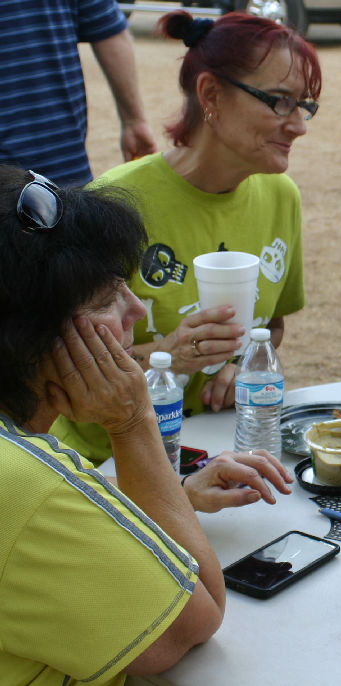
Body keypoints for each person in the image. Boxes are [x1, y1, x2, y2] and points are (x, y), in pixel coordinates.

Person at [52, 10, 321, 465]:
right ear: (210, 94)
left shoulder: (281, 197)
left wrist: (241, 365)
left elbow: (271, 326)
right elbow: (62, 370)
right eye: (279, 102)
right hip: (105, 466)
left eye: (303, 105)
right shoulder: (113, 205)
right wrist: (166, 355)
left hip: (217, 454)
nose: (299, 125)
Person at [0, 166, 224, 683]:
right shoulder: (26, 483)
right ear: (29, 338)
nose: (137, 310)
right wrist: (133, 421)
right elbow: (195, 619)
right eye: (105, 301)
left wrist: (178, 494)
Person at [0, 0, 157, 185]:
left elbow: (106, 26)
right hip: (62, 163)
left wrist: (134, 121)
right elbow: (108, 29)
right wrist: (134, 120)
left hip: (62, 164)